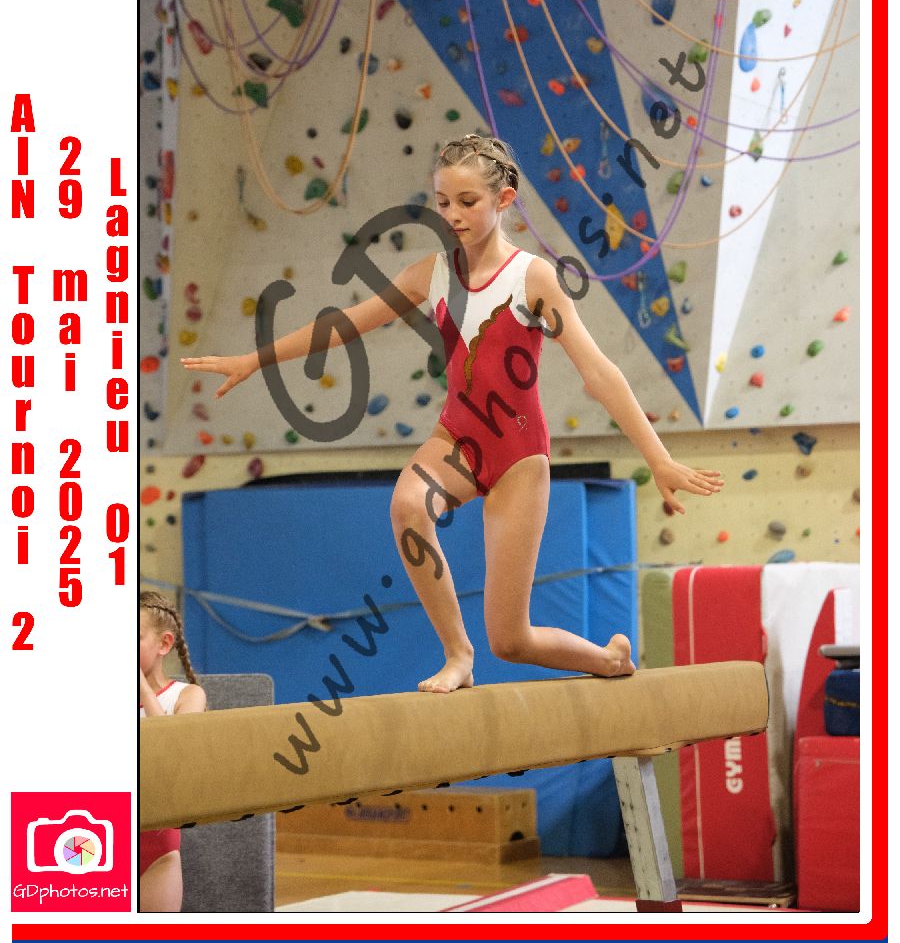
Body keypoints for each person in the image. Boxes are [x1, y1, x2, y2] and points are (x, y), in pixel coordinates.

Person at [181, 133, 722, 694]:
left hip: (517, 455)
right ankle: (457, 653)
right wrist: (255, 358)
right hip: (457, 438)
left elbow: (599, 373)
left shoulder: (533, 278)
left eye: (467, 202)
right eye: (442, 202)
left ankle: (608, 660)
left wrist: (659, 459)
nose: (453, 215)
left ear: (504, 199)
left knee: (511, 640)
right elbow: (344, 326)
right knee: (407, 506)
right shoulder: (431, 274)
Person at [139, 590, 207, 911]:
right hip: (96, 836)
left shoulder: (187, 695)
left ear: (164, 644)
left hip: (157, 848)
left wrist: (141, 687)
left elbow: (174, 750)